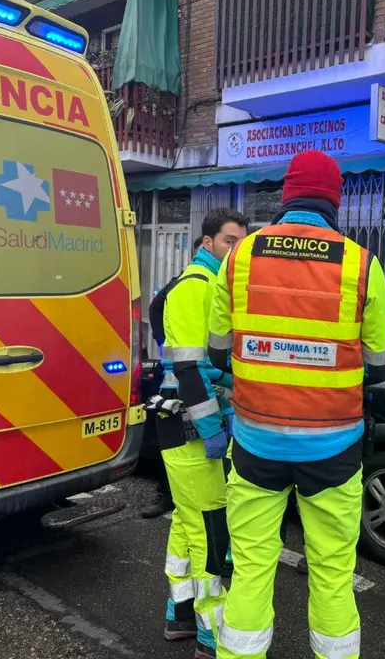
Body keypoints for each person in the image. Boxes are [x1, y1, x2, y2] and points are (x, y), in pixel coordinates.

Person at [208, 150, 385, 659]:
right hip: (333, 447)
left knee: (249, 568)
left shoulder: (239, 256)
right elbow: (379, 365)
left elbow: (217, 351)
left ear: (287, 196)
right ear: (335, 202)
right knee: (333, 574)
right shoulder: (362, 263)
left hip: (255, 440)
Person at [159, 209, 249, 659]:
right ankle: (211, 633)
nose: (235, 249)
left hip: (181, 424)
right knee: (210, 529)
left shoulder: (208, 284)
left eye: (240, 242)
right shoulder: (196, 287)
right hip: (191, 426)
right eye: (229, 241)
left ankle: (179, 614)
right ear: (207, 241)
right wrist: (214, 427)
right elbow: (191, 367)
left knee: (186, 521)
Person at [143, 236, 205, 520]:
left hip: (208, 377)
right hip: (175, 379)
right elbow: (155, 308)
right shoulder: (180, 282)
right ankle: (165, 495)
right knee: (173, 442)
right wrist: (162, 341)